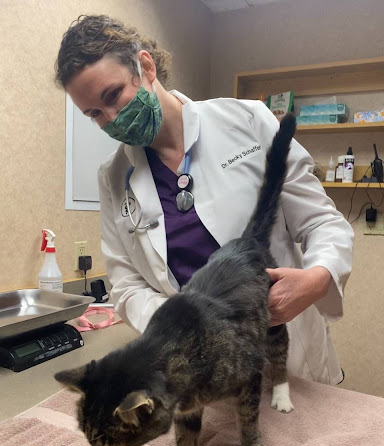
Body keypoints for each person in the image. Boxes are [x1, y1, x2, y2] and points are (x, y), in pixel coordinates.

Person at [55, 15, 354, 386]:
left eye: (113, 96)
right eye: (94, 114)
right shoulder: (114, 177)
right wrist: (183, 327)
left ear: (145, 66)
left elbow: (322, 222)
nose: (112, 118)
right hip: (203, 369)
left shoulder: (247, 120)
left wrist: (317, 277)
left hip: (287, 354)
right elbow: (127, 287)